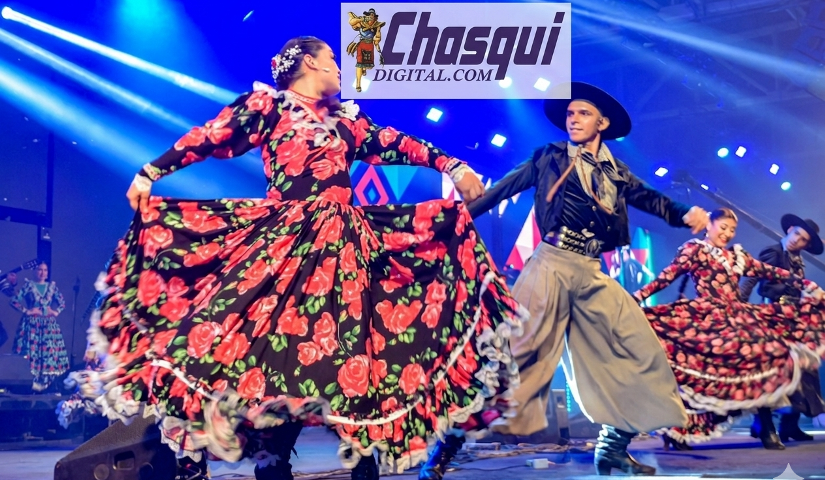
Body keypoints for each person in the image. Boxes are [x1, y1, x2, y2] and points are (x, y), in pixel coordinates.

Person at [77, 36, 527, 480]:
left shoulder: (345, 121)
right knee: (271, 353)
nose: (340, 66)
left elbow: (395, 143)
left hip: (345, 250)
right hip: (285, 247)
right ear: (310, 62)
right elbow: (211, 137)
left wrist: (452, 165)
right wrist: (151, 172)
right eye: (332, 57)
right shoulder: (270, 107)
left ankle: (362, 460)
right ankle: (259, 458)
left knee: (354, 352)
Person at [420, 82, 708, 479]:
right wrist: (444, 224)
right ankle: (443, 450)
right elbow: (499, 191)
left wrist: (683, 212)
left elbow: (649, 198)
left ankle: (611, 448)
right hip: (550, 266)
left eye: (583, 113)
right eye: (570, 113)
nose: (573, 119)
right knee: (512, 361)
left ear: (602, 123)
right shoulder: (548, 157)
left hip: (591, 272)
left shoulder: (616, 171)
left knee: (641, 350)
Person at [633, 208, 825, 450]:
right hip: (709, 319)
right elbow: (666, 276)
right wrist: (637, 296)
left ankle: (766, 426)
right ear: (709, 226)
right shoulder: (695, 249)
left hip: (737, 317)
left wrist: (806, 284)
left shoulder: (737, 256)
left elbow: (769, 271)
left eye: (732, 230)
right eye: (723, 227)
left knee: (761, 356)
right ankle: (678, 429)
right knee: (701, 376)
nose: (727, 233)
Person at [739, 214, 825, 446]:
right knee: (773, 370)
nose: (797, 240)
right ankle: (763, 423)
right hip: (773, 318)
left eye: (803, 239)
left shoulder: (798, 261)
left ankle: (790, 425)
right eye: (796, 234)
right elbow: (755, 279)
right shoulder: (773, 252)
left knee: (802, 367)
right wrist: (739, 305)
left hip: (794, 321)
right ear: (789, 230)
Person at [10, 261, 71, 391]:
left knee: (49, 353)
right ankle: (31, 384)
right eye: (39, 270)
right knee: (32, 352)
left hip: (48, 326)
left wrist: (55, 312)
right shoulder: (28, 286)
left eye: (45, 270)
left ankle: (47, 384)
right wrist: (27, 311)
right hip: (31, 325)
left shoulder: (52, 287)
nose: (42, 273)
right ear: (34, 271)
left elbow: (62, 303)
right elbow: (14, 301)